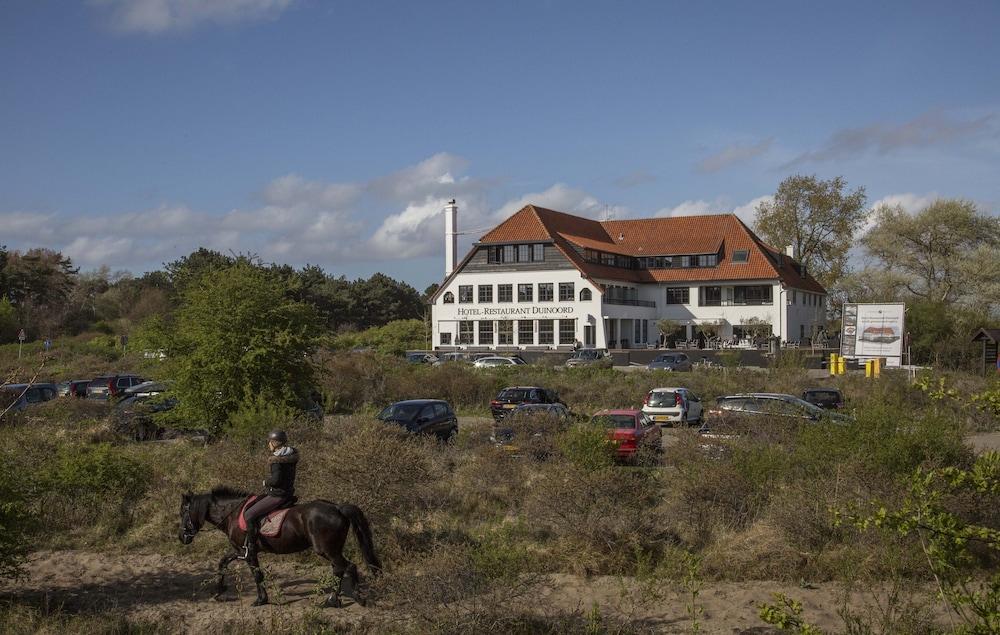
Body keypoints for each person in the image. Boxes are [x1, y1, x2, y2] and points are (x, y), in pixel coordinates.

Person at [240, 430, 299, 560]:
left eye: (269, 442)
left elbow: (276, 480)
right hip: (289, 492)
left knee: (249, 514)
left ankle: (251, 547)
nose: (268, 444)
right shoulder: (291, 454)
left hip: (278, 495)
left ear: (273, 443)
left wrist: (266, 482)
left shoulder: (276, 460)